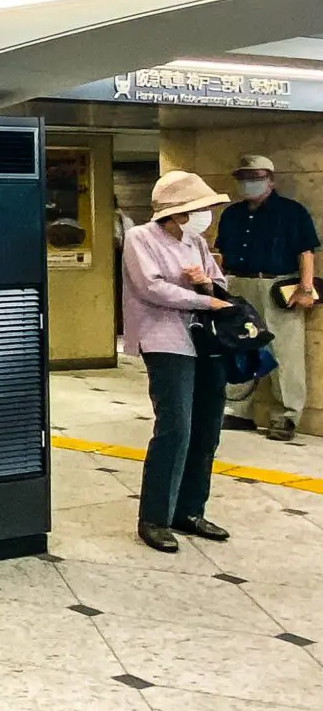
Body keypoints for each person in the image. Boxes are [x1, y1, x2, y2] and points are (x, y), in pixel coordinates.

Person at [122, 171, 236, 553]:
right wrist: (204, 299)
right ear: (177, 210)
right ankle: (154, 518)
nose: (205, 215)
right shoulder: (140, 238)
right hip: (163, 339)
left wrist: (205, 284)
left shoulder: (196, 242)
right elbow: (150, 287)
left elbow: (219, 284)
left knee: (207, 426)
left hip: (203, 340)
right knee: (176, 427)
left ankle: (189, 510)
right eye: (199, 207)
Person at [215, 154, 318, 442]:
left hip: (276, 286)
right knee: (237, 346)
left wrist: (306, 288)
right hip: (238, 283)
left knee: (283, 351)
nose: (248, 183)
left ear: (270, 180)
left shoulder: (291, 212)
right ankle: (237, 410)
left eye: (255, 178)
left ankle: (285, 416)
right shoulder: (231, 214)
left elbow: (306, 252)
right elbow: (221, 253)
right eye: (243, 178)